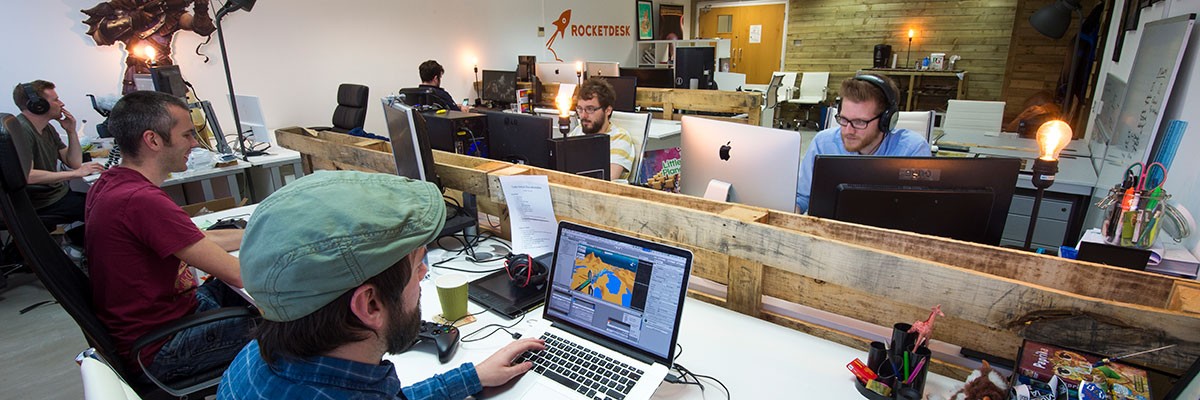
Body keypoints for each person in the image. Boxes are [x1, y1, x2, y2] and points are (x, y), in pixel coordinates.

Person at [218, 171, 545, 399]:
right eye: (418, 267)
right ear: (370, 305)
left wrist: (470, 378)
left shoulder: (258, 356)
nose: (423, 275)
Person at [85, 91, 254, 380]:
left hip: (168, 318)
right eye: (187, 135)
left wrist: (260, 231)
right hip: (163, 347)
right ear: (153, 140)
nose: (194, 143)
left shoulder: (111, 183)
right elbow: (239, 275)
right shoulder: (140, 200)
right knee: (303, 327)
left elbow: (198, 240)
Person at [794, 74, 931, 213]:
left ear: (886, 121)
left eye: (859, 122)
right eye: (843, 119)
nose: (848, 130)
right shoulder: (823, 143)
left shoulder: (912, 150)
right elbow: (802, 197)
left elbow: (921, 210)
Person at [11, 80, 105, 225]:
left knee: (103, 201)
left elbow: (74, 162)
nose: (62, 104)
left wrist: (71, 131)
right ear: (38, 105)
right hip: (44, 202)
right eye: (55, 100)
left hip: (57, 194)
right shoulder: (22, 130)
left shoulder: (47, 128)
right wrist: (75, 174)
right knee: (104, 210)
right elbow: (28, 175)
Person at [569, 77, 637, 181]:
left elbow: (607, 179)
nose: (583, 115)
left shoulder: (619, 137)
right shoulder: (578, 131)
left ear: (608, 110)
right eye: (580, 109)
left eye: (590, 109)